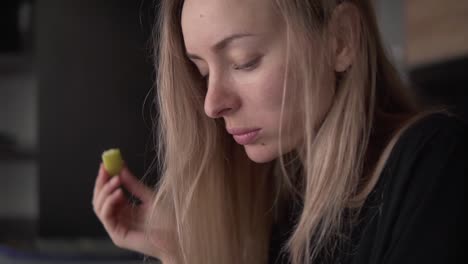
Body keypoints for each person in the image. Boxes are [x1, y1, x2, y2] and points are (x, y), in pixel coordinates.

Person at [92, 0, 467, 263]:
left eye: (244, 61)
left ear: (340, 39)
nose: (211, 104)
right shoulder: (278, 202)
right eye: (203, 72)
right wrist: (176, 251)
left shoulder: (435, 164)